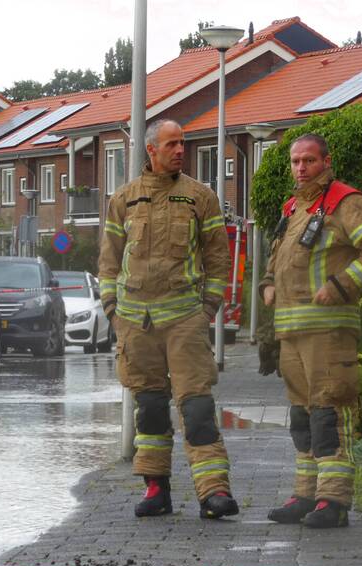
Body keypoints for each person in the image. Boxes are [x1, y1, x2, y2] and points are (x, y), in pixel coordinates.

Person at [98, 119, 239, 520]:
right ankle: (156, 489)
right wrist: (113, 310)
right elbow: (108, 262)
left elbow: (217, 258)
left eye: (184, 143)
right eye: (172, 144)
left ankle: (213, 491)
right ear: (151, 151)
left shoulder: (200, 197)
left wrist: (207, 308)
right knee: (152, 410)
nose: (181, 150)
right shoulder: (123, 200)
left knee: (196, 408)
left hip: (184, 323)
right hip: (136, 325)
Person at [260, 134, 362, 528]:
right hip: (292, 334)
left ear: (326, 161)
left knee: (329, 414)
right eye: (295, 162)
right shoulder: (293, 207)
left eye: (309, 161)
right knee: (302, 419)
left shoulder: (346, 202)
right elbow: (278, 255)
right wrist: (267, 283)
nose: (301, 168)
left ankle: (333, 502)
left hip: (329, 332)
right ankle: (305, 494)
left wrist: (341, 286)